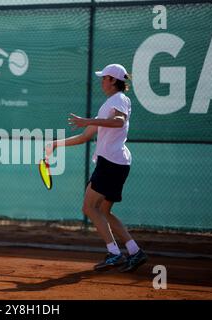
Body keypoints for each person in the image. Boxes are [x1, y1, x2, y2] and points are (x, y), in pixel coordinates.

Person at [46, 64, 147, 272]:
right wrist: (56, 144)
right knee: (103, 211)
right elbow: (85, 137)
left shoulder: (118, 99)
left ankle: (114, 253)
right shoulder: (108, 105)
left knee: (89, 207)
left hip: (111, 163)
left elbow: (118, 122)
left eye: (104, 78)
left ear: (113, 80)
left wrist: (87, 120)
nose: (101, 81)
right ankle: (135, 252)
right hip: (115, 163)